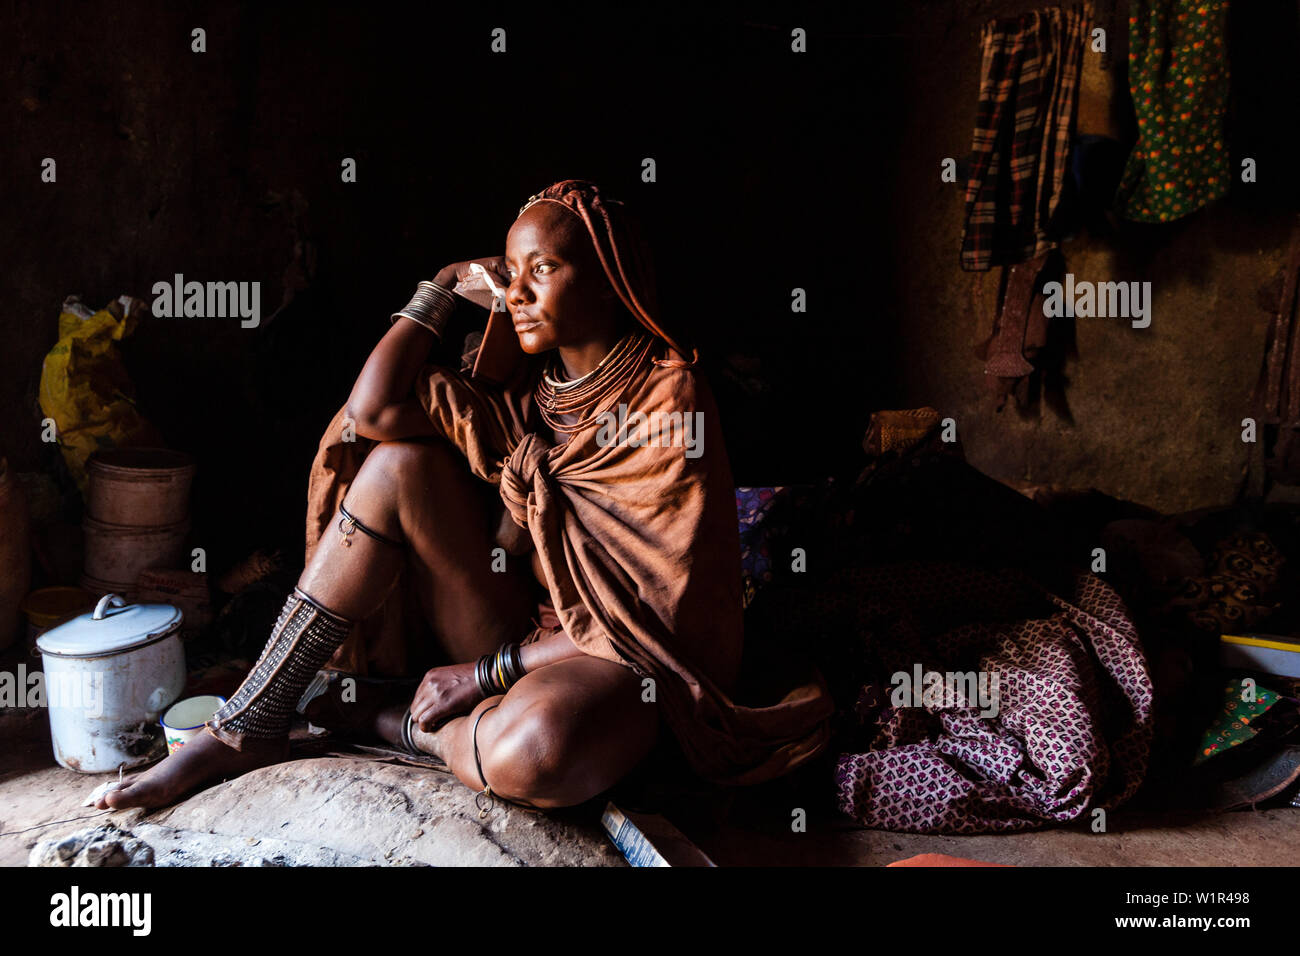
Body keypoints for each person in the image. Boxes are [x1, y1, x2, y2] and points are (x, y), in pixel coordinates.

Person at [97, 179, 832, 815]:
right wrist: (442, 287)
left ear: (609, 277)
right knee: (395, 466)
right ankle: (249, 721)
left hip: (627, 664)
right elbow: (372, 414)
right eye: (509, 273)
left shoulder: (669, 398)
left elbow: (663, 619)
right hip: (530, 628)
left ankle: (393, 722)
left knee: (541, 748)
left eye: (543, 269)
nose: (517, 293)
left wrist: (487, 673)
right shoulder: (522, 389)